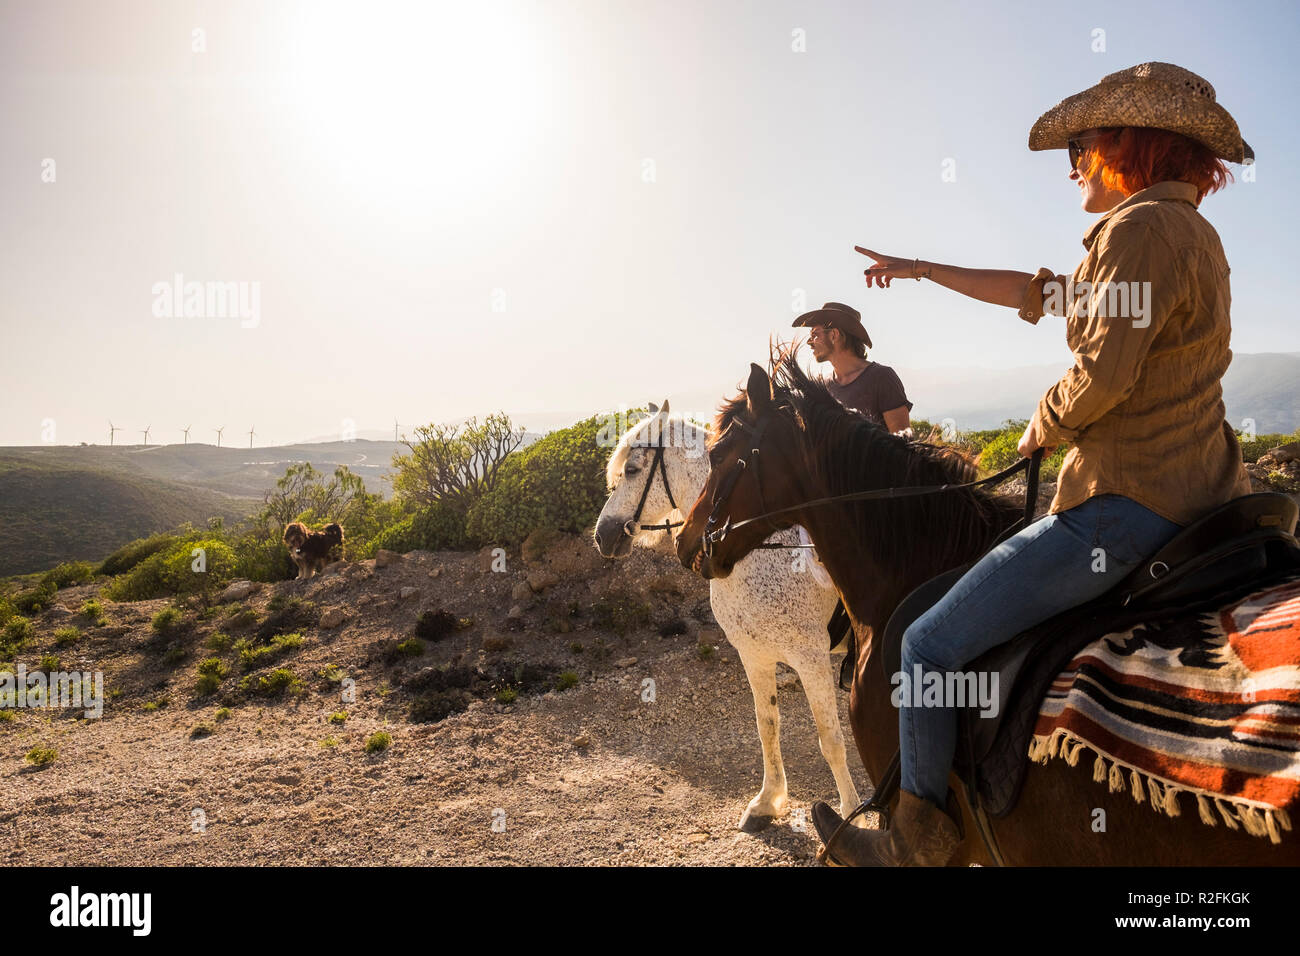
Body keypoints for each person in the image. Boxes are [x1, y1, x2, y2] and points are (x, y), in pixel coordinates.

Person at [812, 62, 1255, 867]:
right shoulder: (1186, 234)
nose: (1074, 164)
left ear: (1129, 146)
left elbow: (1106, 375)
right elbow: (1038, 293)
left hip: (1124, 505)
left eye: (1083, 145)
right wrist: (917, 268)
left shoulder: (1135, 233)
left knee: (924, 645)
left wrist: (1042, 423)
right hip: (1205, 494)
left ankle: (918, 842)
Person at [792, 302, 913, 433]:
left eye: (815, 335)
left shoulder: (882, 378)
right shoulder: (823, 386)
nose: (809, 342)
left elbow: (903, 445)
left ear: (834, 335)